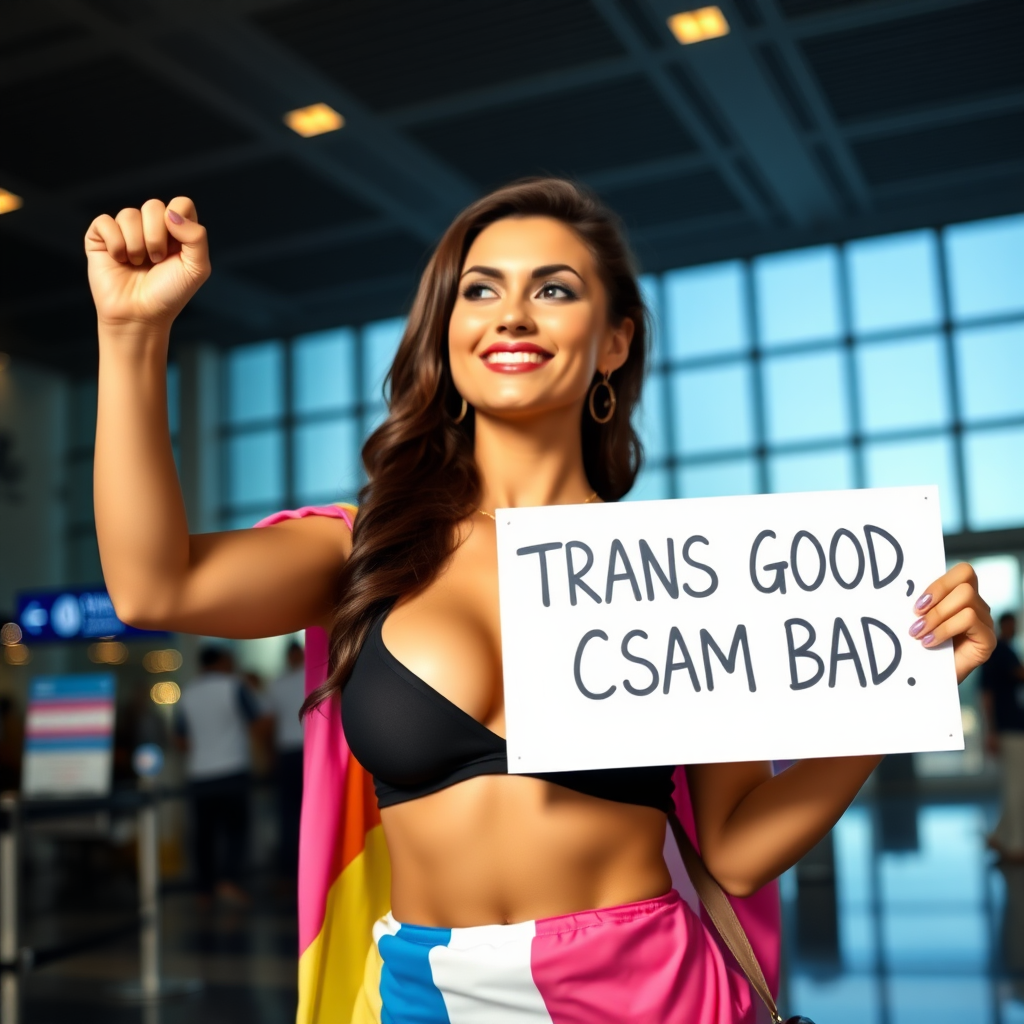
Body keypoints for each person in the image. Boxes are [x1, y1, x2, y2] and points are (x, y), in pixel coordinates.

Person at [85, 179, 995, 1022]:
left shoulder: (680, 572)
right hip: (425, 988)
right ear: (446, 332)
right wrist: (132, 336)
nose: (511, 313)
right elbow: (152, 583)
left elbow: (738, 849)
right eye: (479, 291)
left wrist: (899, 697)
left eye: (554, 289)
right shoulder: (360, 550)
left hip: (650, 988)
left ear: (615, 341)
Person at [174, 645, 263, 906]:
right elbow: (257, 723)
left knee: (203, 835)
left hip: (199, 774)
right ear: (222, 661)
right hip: (233, 768)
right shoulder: (234, 686)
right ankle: (229, 882)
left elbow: (180, 740)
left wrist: (204, 750)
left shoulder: (187, 694)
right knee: (235, 831)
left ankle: (204, 889)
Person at [982, 612, 1024, 862]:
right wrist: (992, 731)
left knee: (1016, 784)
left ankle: (999, 837)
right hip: (1009, 729)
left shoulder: (1006, 651)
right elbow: (986, 696)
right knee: (1016, 786)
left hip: (1013, 727)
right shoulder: (1000, 652)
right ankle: (1016, 845)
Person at [266, 640, 306, 875]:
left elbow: (270, 724)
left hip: (286, 753)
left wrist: (271, 757)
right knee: (313, 811)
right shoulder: (315, 677)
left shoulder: (277, 684)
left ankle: (288, 873)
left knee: (288, 816)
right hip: (310, 752)